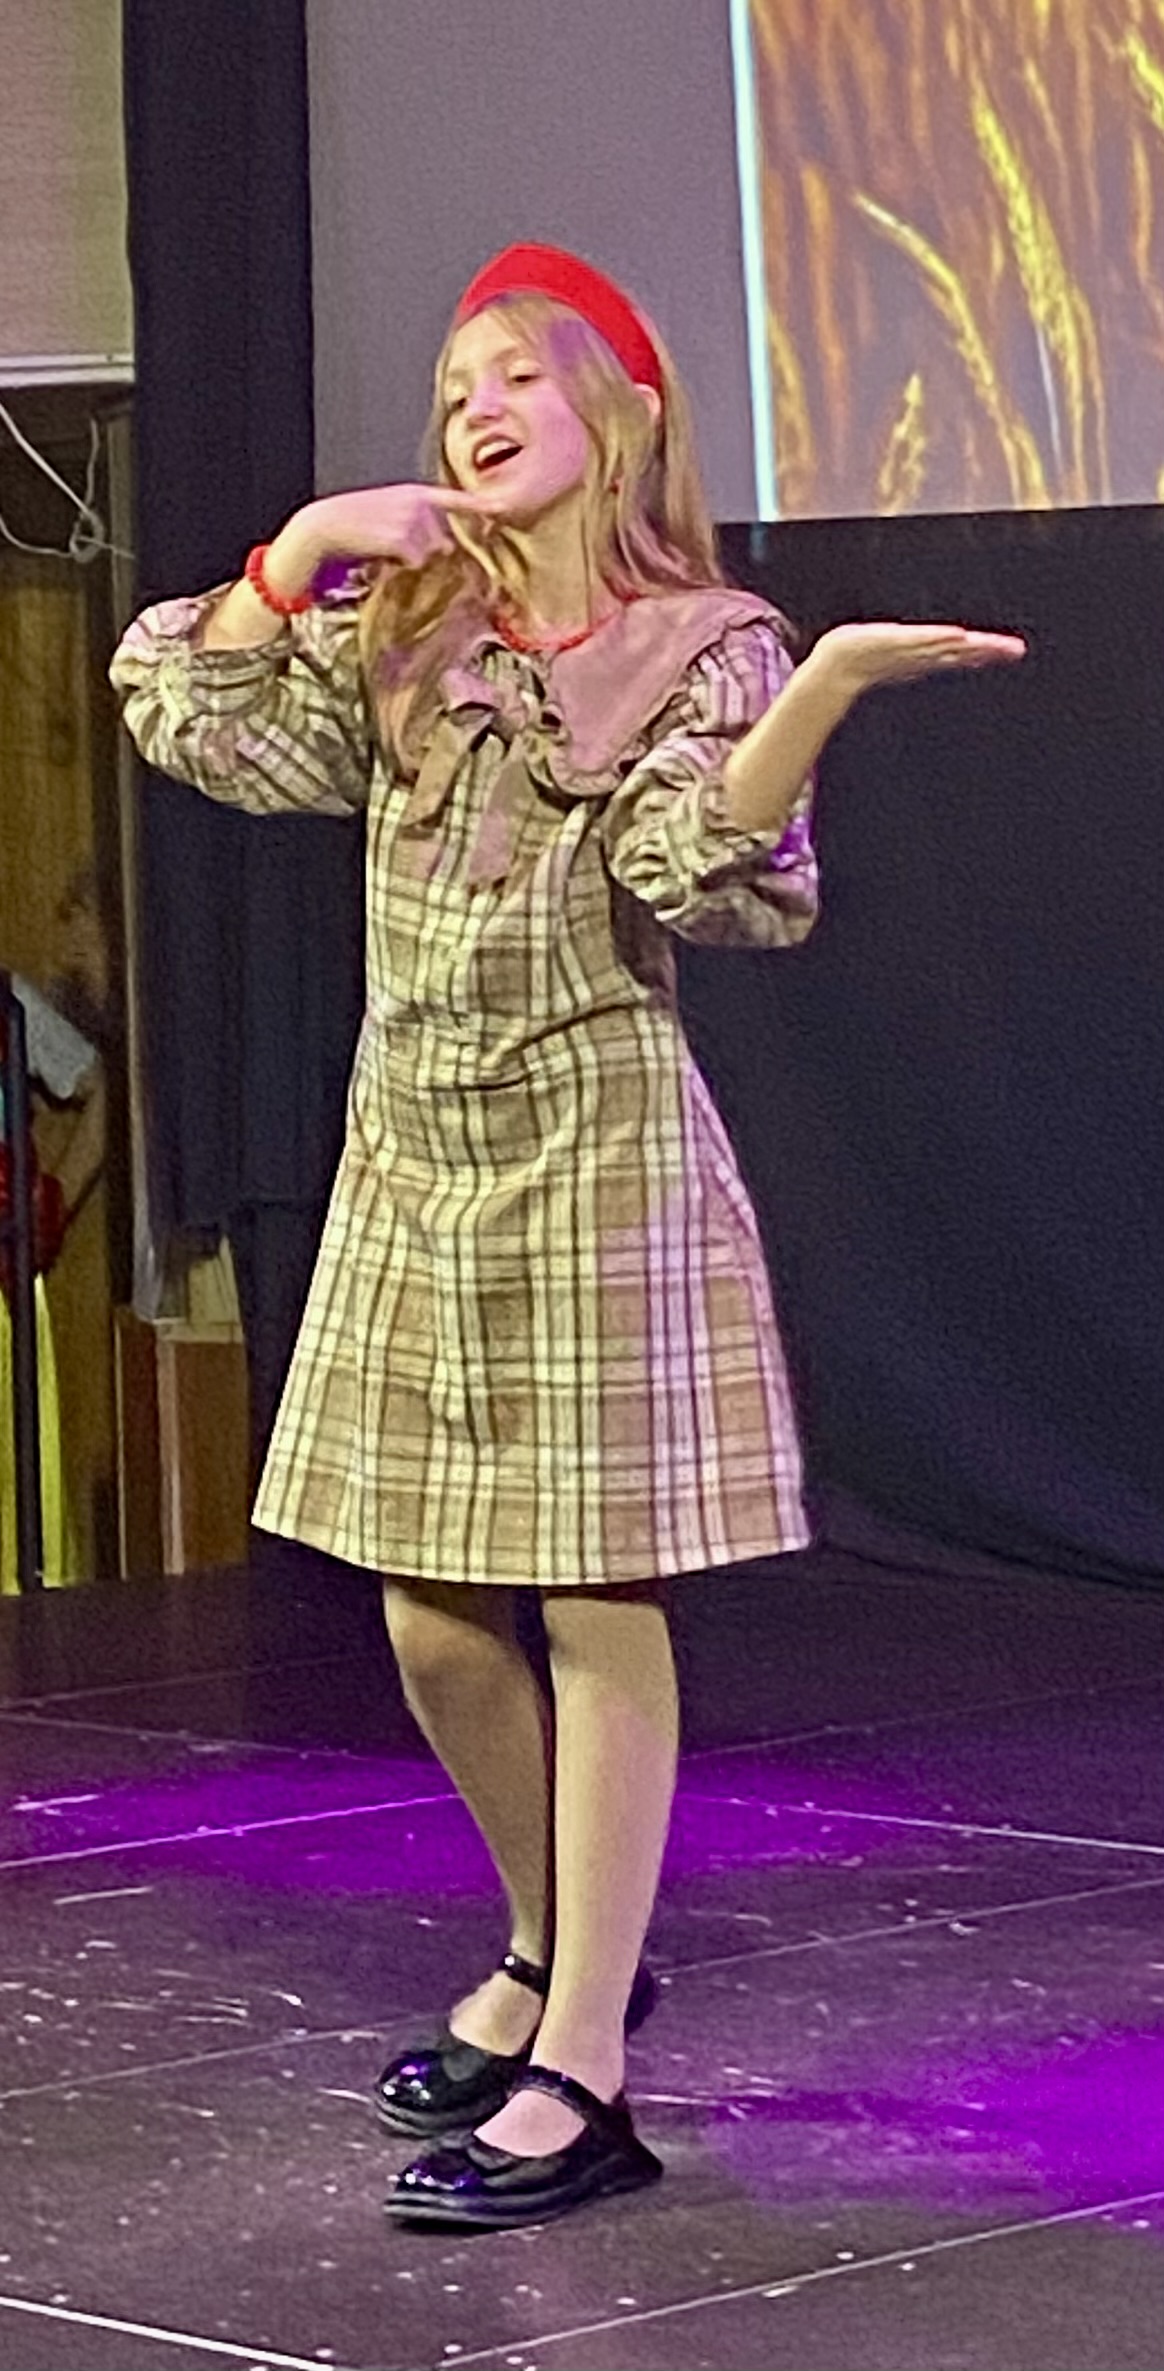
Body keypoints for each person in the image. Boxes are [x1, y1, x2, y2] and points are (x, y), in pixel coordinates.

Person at [111, 242, 1024, 2229]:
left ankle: (586, 2065)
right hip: (413, 1161)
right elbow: (196, 723)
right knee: (429, 1612)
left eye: (518, 374)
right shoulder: (411, 629)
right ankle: (551, 1951)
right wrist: (300, 552)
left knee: (598, 1602)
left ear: (618, 411)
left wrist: (828, 685)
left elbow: (706, 872)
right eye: (454, 388)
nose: (476, 411)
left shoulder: (702, 642)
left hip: (595, 1159)